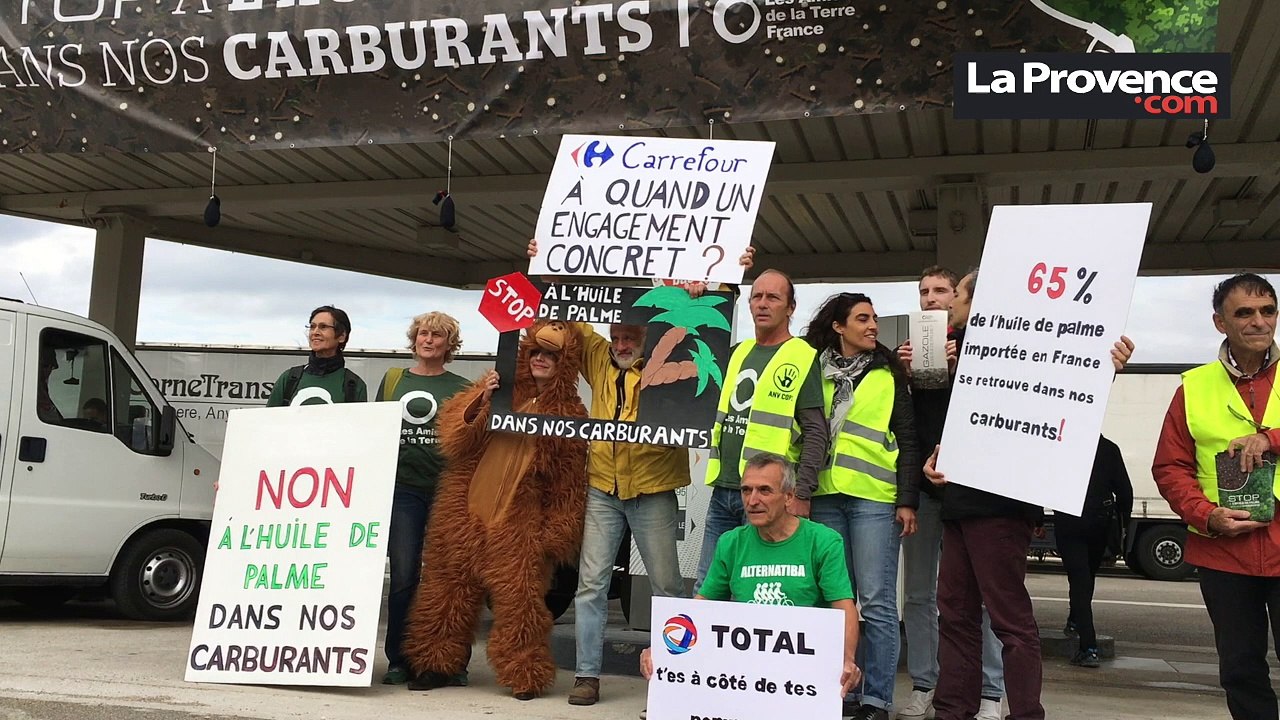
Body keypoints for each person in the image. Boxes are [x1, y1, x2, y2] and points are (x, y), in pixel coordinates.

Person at [922, 270, 1133, 720]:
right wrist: (937, 456)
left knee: (1009, 620)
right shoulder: (954, 355)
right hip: (958, 503)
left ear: (980, 302)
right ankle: (951, 711)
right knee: (954, 615)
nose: (950, 302)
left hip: (1001, 507)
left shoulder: (1026, 349)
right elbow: (952, 426)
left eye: (956, 294)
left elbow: (1062, 395)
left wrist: (1103, 370)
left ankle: (1024, 714)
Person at [404, 320, 589, 700]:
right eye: (535, 351)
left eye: (550, 355)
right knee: (446, 592)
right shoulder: (497, 389)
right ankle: (435, 663)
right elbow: (455, 437)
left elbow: (568, 482)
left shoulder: (571, 412)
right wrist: (482, 399)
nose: (540, 359)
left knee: (521, 601)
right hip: (464, 511)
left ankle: (524, 673)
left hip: (519, 523)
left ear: (565, 363)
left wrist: (554, 535)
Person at [1152, 272, 1280, 720]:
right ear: (1219, 322)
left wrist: (1272, 438)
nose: (1259, 322)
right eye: (1244, 312)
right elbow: (1170, 468)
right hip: (1223, 553)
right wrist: (1206, 516)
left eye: (1268, 311)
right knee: (1241, 669)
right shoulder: (1193, 387)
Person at [641, 452, 861, 697]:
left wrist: (846, 659)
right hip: (746, 674)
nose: (752, 500)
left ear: (789, 497)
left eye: (764, 491)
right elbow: (701, 609)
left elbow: (843, 606)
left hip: (801, 677)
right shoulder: (730, 543)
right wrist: (661, 648)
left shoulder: (823, 541)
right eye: (746, 490)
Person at [803, 292, 920, 720]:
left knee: (876, 601)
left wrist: (907, 500)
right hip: (825, 496)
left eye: (873, 319)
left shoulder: (890, 371)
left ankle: (877, 699)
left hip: (874, 498)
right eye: (863, 319)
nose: (873, 326)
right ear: (838, 327)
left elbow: (908, 439)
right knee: (837, 601)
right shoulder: (812, 369)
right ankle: (841, 691)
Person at [897, 266, 1006, 720]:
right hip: (924, 489)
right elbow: (903, 426)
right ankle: (925, 682)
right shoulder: (908, 348)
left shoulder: (989, 345)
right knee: (920, 594)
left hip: (974, 494)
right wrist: (899, 373)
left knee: (981, 596)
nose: (931, 298)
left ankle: (992, 692)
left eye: (941, 290)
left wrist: (965, 366)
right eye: (923, 291)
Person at [697, 269, 827, 587]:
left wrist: (803, 492)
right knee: (708, 584)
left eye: (773, 297)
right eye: (757, 296)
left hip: (769, 496)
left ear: (791, 307)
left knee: (756, 589)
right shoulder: (737, 352)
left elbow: (816, 431)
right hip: (726, 489)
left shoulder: (801, 356)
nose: (763, 304)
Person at [377, 312, 472, 686]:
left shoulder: (463, 386)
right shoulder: (393, 380)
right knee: (403, 576)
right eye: (422, 333)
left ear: (450, 345)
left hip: (447, 490)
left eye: (436, 335)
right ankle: (399, 659)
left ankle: (453, 660)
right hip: (402, 491)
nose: (427, 340)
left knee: (449, 576)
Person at [1056, 435, 1133, 668]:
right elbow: (1125, 492)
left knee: (1078, 578)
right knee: (1087, 576)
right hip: (1100, 522)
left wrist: (1039, 518)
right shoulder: (1109, 448)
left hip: (1069, 522)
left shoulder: (1063, 444)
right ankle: (1075, 619)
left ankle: (1087, 646)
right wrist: (1122, 523)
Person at [265, 305, 368, 407]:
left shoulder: (354, 385)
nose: (315, 332)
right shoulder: (289, 379)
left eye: (323, 327)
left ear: (341, 336)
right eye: (312, 327)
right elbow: (269, 421)